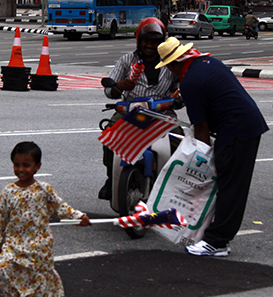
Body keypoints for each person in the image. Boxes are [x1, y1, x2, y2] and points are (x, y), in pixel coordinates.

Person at [156, 37, 268, 257]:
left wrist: (201, 160)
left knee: (230, 187)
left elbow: (201, 127)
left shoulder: (190, 82)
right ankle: (216, 235)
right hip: (245, 124)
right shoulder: (206, 63)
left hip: (236, 131)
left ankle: (217, 242)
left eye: (168, 66)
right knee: (230, 185)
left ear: (173, 64)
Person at [0, 142, 91, 297]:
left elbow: (62, 207)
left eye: (26, 165)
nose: (21, 169)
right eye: (17, 165)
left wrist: (79, 216)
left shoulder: (43, 189)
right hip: (13, 242)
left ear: (37, 167)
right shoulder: (8, 192)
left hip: (39, 244)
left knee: (37, 280)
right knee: (3, 269)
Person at [99, 17, 180, 199]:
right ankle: (111, 178)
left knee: (180, 140)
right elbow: (108, 91)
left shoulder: (170, 61)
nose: (150, 45)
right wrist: (120, 85)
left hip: (162, 113)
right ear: (139, 41)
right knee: (110, 136)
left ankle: (174, 186)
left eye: (156, 41)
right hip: (131, 111)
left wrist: (179, 97)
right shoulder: (127, 60)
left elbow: (181, 86)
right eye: (146, 41)